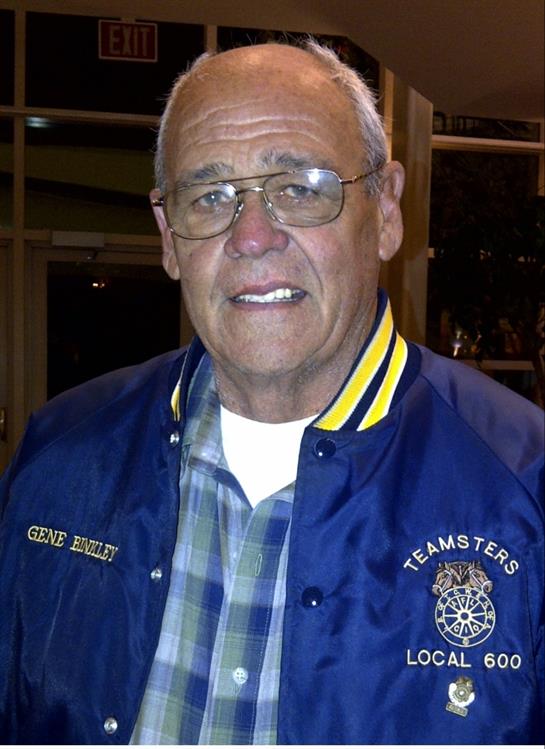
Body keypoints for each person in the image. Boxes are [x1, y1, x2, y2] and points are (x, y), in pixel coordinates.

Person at [0, 40, 543, 745]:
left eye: (300, 188)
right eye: (210, 197)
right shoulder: (58, 458)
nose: (252, 237)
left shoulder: (524, 486)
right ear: (169, 237)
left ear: (384, 211)